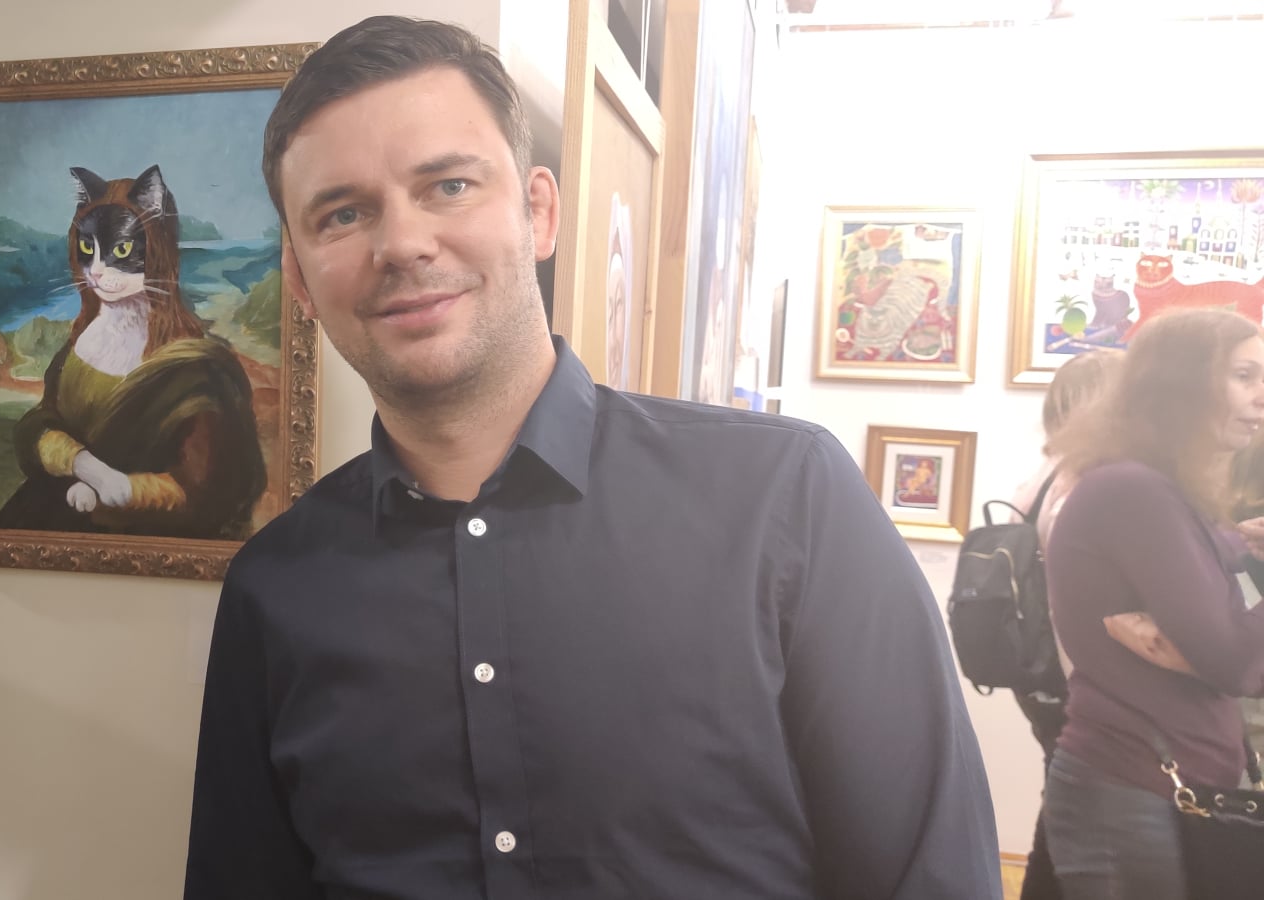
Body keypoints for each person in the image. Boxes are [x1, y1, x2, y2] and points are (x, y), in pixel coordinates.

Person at [184, 16, 997, 899]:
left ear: (538, 212)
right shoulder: (277, 587)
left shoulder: (785, 501)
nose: (403, 243)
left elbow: (932, 876)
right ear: (301, 281)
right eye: (343, 214)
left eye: (449, 185)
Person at [1041, 308, 1264, 900]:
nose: (1262, 396)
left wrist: (1241, 543)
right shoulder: (1132, 490)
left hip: (1160, 782)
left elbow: (1205, 566)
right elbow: (1235, 662)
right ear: (1180, 384)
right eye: (1244, 376)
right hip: (1133, 787)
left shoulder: (1157, 489)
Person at [1004, 348, 1121, 900]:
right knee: (1080, 820)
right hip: (1080, 675)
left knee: (1061, 806)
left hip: (1037, 672)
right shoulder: (1089, 487)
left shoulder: (1041, 480)